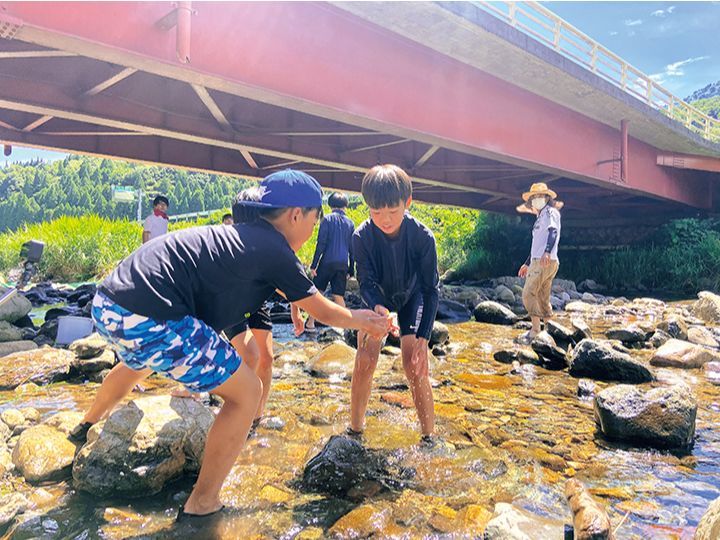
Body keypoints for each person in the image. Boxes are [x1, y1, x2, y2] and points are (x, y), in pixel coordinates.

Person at [69, 170, 389, 519]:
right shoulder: (272, 247)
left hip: (110, 305)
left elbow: (293, 289)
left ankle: (85, 425)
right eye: (314, 220)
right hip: (149, 316)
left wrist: (299, 307)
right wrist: (365, 320)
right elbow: (323, 309)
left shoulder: (247, 239)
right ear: (297, 214)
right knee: (247, 392)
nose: (313, 230)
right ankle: (202, 502)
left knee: (142, 361)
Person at [349, 164, 439, 445]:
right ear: (368, 207)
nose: (385, 219)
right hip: (378, 299)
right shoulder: (361, 237)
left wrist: (424, 339)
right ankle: (355, 430)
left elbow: (431, 289)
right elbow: (365, 282)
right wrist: (377, 308)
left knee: (414, 363)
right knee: (365, 358)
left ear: (407, 203)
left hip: (413, 296)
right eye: (376, 212)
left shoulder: (422, 237)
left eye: (392, 211)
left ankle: (428, 436)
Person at [517, 182, 563, 342]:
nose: (537, 199)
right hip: (541, 260)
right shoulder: (541, 216)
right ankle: (549, 330)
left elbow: (553, 231)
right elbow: (537, 243)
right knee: (543, 297)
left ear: (547, 198)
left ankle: (536, 330)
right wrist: (527, 263)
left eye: (540, 196)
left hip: (544, 260)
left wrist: (547, 252)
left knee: (528, 294)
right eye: (534, 197)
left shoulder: (550, 212)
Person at [306, 191, 355, 332]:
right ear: (345, 205)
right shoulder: (350, 223)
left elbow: (321, 244)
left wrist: (314, 265)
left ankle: (310, 324)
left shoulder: (327, 220)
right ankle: (346, 326)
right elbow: (352, 249)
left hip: (327, 262)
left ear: (331, 204)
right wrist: (352, 269)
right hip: (342, 265)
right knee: (338, 295)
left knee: (318, 293)